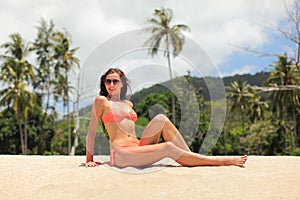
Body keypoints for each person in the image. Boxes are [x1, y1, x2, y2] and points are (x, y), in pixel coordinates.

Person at [86, 68, 247, 168]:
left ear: (122, 84)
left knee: (161, 118)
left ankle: (191, 157)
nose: (111, 84)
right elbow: (91, 131)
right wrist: (89, 160)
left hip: (138, 146)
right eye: (108, 81)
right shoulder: (102, 101)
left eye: (115, 81)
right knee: (168, 147)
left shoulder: (128, 104)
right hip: (121, 154)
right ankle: (220, 161)